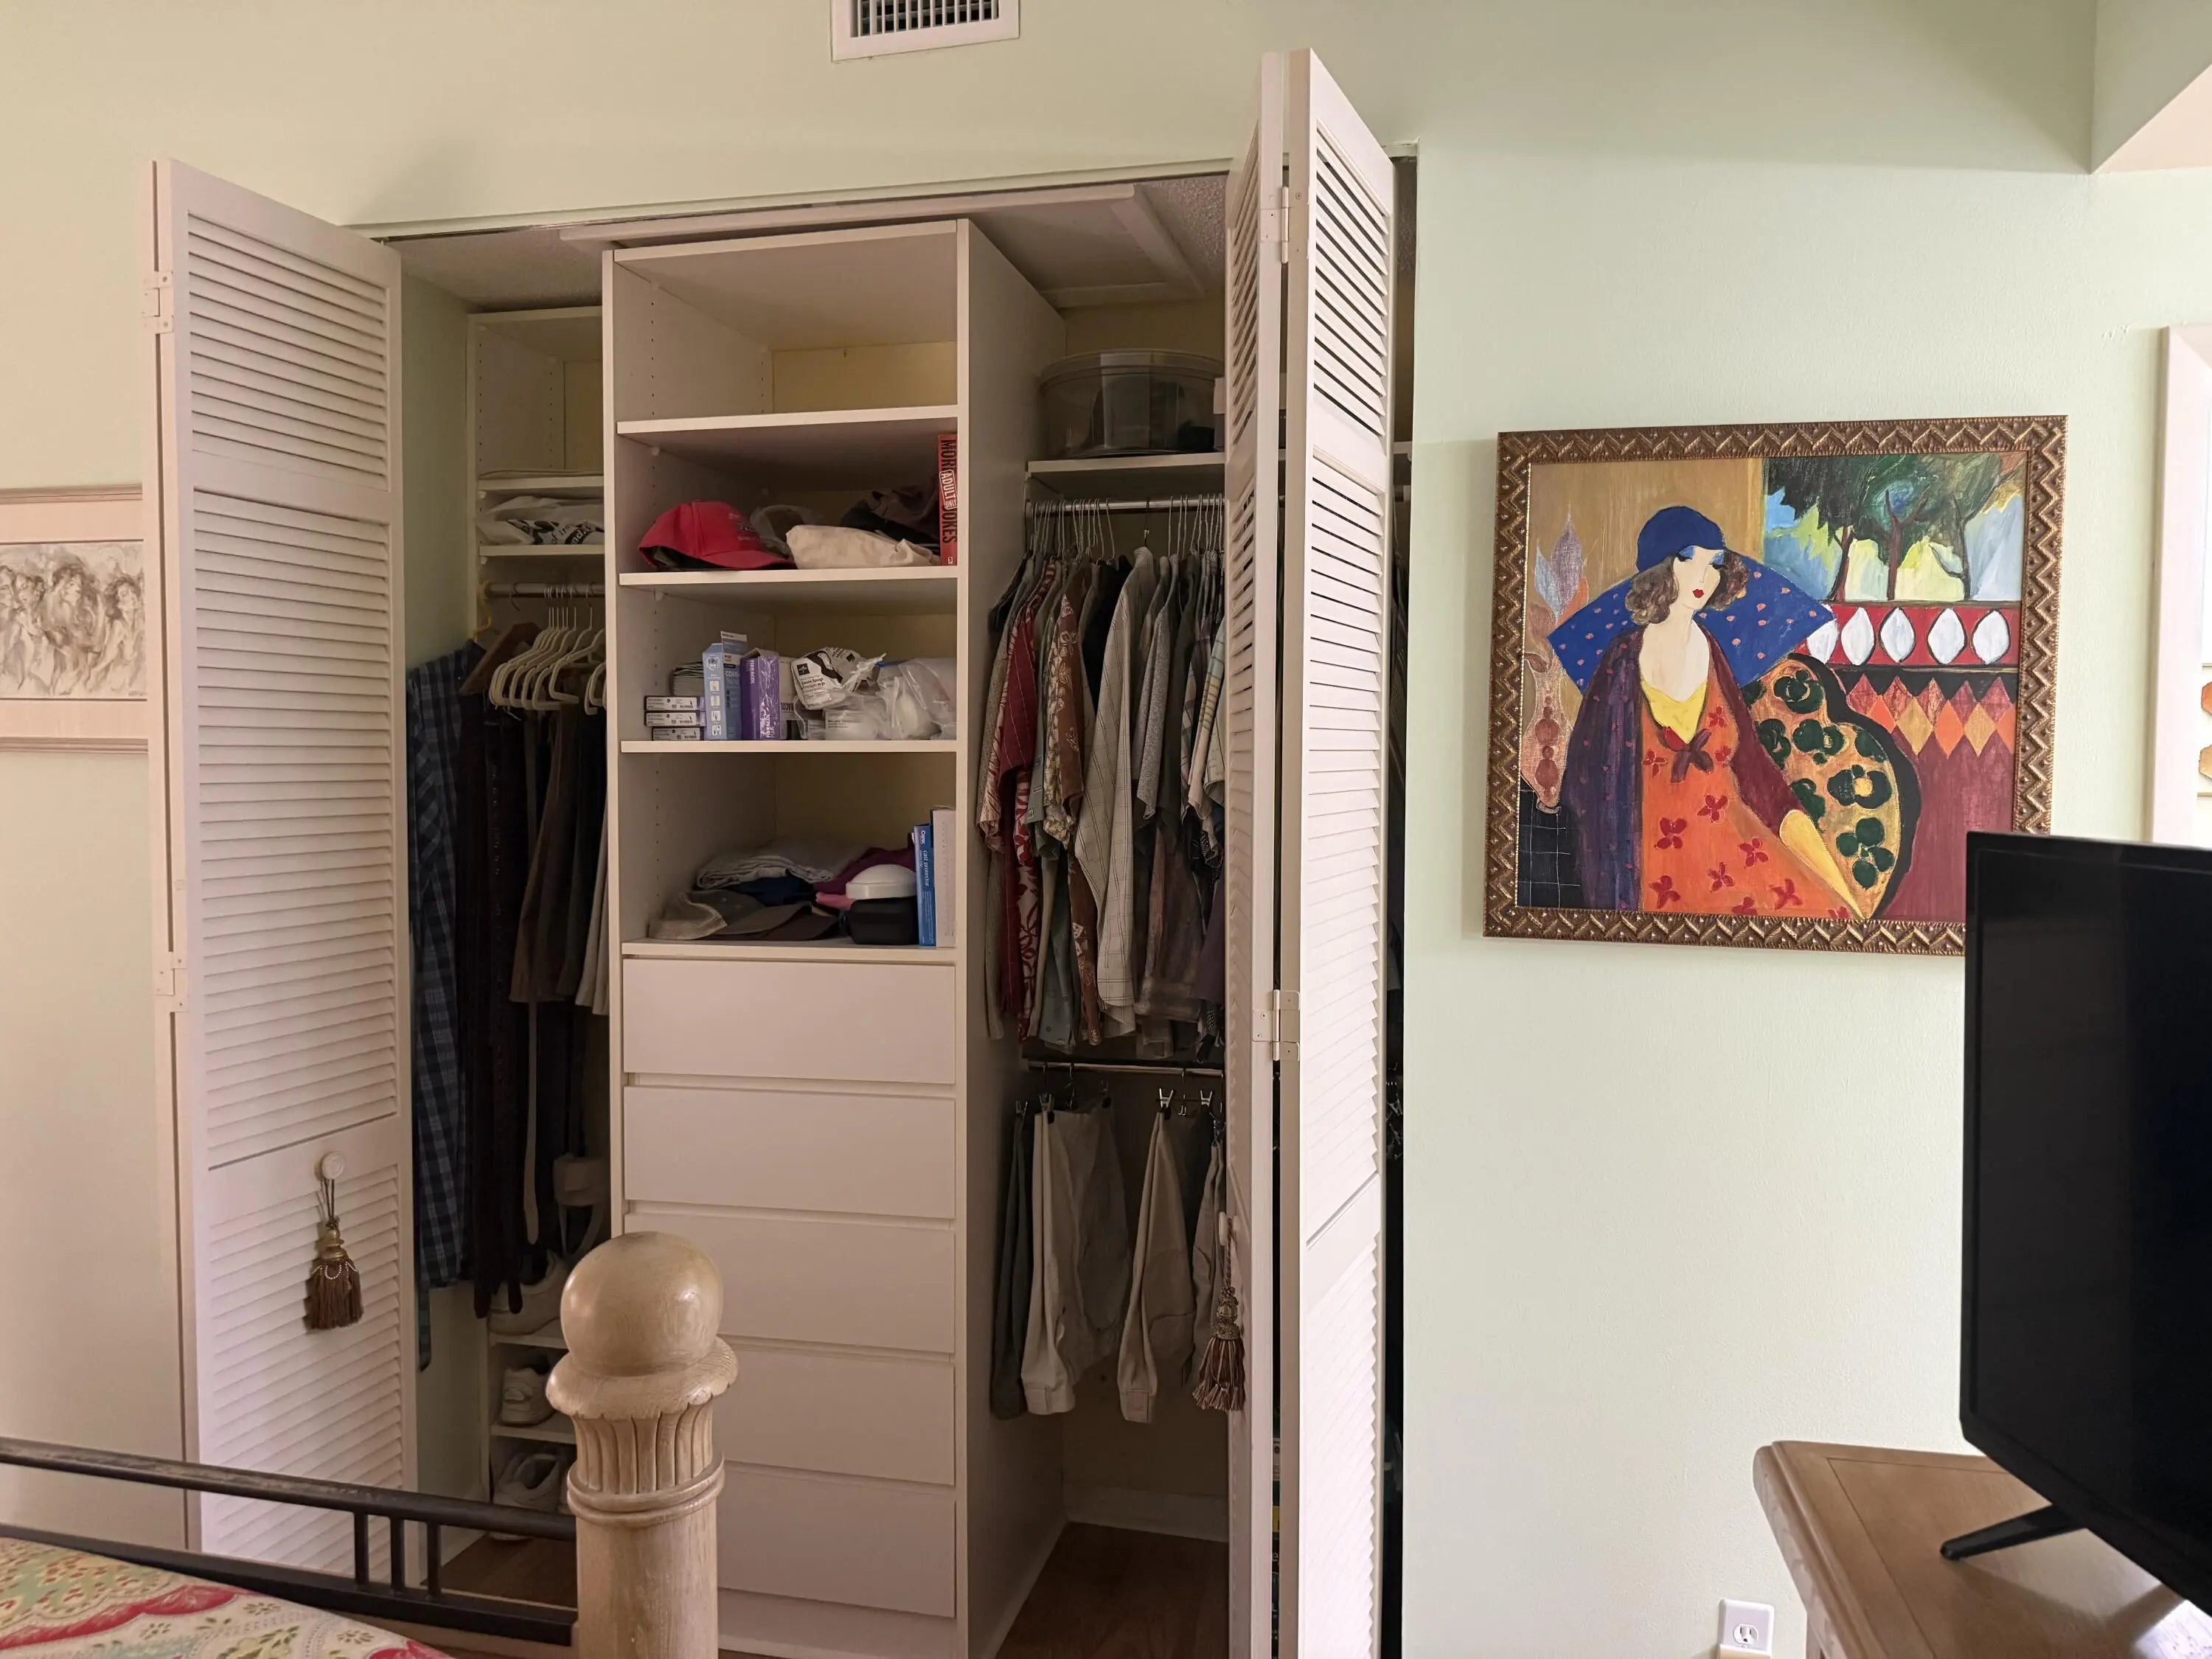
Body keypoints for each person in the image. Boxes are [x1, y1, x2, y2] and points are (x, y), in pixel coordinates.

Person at [1553, 505, 1860, 919]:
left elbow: (1755, 772)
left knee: (1826, 914)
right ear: (1660, 569)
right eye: (1688, 559)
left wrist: (1833, 881)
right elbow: (1586, 783)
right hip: (1647, 870)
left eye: (1714, 563)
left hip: (1736, 849)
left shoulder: (1713, 652)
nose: (1704, 576)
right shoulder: (1622, 660)